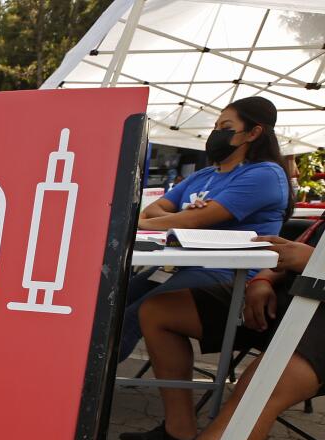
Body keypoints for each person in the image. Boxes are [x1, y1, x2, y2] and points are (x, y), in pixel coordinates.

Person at [98, 236, 323, 440]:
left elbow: (308, 255)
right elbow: (291, 248)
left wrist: (315, 262)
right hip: (289, 293)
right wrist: (263, 279)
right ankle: (177, 434)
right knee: (158, 310)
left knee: (263, 385)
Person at [118, 97, 291, 367]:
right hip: (180, 264)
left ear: (254, 132)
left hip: (227, 274)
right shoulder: (205, 175)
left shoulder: (265, 174)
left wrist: (182, 217)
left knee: (135, 314)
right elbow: (151, 213)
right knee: (112, 300)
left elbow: (197, 220)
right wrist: (182, 217)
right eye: (215, 126)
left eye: (225, 126)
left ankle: (84, 382)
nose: (216, 134)